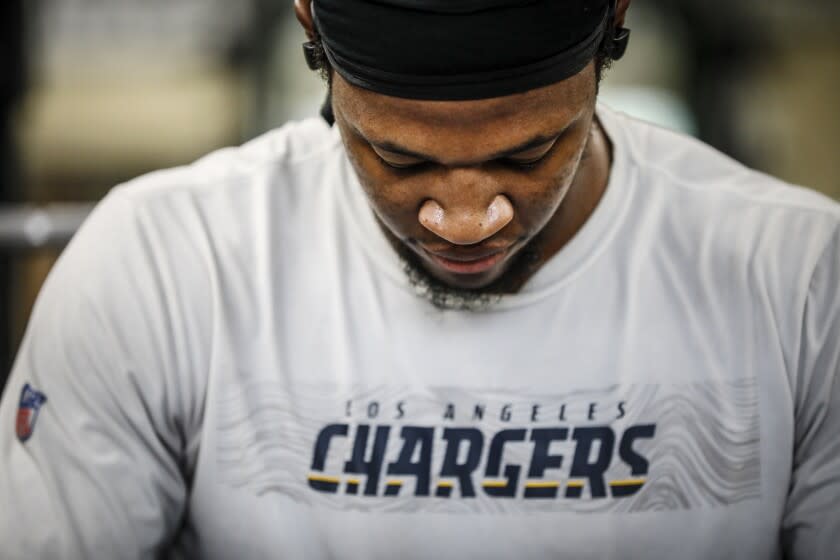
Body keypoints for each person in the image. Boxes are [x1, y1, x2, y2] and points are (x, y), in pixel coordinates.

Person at [1, 0, 838, 558]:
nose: (465, 219)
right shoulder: (163, 268)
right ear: (310, 28)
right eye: (397, 157)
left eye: (528, 151)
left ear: (617, 17)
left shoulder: (798, 280)